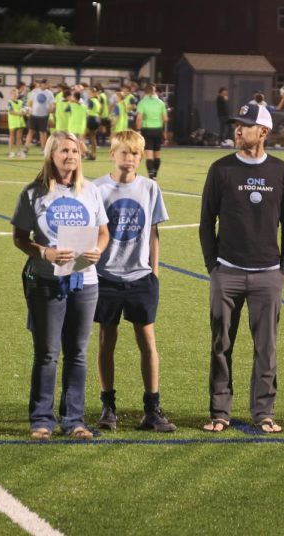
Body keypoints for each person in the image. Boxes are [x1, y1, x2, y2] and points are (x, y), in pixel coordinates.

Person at [198, 103, 284, 434]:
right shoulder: (221, 169)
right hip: (226, 272)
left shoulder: (281, 171)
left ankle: (263, 411)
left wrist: (283, 267)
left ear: (264, 132)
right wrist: (213, 266)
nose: (238, 130)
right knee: (221, 344)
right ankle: (220, 411)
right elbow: (205, 222)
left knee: (265, 348)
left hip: (268, 274)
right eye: (236, 125)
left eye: (246, 125)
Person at [11, 131, 109, 441]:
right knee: (47, 353)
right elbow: (19, 238)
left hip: (85, 280)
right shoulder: (33, 193)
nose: (70, 156)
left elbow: (104, 232)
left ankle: (74, 420)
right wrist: (45, 252)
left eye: (75, 151)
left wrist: (98, 251)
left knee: (78, 353)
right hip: (45, 280)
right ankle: (42, 419)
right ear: (51, 155)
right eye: (64, 151)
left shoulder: (90, 191)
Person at [93, 130, 175, 433]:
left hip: (140, 277)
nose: (130, 159)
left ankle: (152, 409)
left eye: (136, 154)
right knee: (106, 341)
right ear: (112, 154)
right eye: (124, 153)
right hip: (106, 276)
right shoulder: (97, 188)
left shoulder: (149, 187)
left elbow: (153, 232)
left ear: (141, 157)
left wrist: (154, 272)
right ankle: (108, 407)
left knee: (148, 342)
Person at [135, 84, 169, 179]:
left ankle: (151, 175)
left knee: (149, 154)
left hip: (147, 129)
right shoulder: (161, 103)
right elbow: (165, 119)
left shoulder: (142, 103)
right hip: (158, 129)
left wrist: (138, 130)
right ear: (155, 92)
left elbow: (139, 118)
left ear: (145, 92)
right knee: (157, 153)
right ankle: (155, 174)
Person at [24, 79, 55, 154]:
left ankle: (43, 149)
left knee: (43, 132)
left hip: (44, 116)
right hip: (33, 115)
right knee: (30, 131)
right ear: (42, 84)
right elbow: (30, 103)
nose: (48, 85)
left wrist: (52, 108)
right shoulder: (34, 91)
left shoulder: (49, 93)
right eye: (46, 84)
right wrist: (28, 110)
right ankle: (26, 148)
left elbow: (52, 103)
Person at [7, 88, 26, 159]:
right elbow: (11, 111)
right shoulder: (9, 102)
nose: (15, 95)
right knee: (12, 137)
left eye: (16, 93)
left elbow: (25, 110)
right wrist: (19, 113)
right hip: (13, 122)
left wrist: (25, 112)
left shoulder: (21, 102)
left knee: (19, 138)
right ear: (10, 95)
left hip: (20, 122)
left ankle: (19, 151)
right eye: (13, 93)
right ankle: (10, 152)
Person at [84, 91, 102, 160]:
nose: (89, 94)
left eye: (90, 93)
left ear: (94, 94)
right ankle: (93, 153)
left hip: (91, 118)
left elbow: (88, 110)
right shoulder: (97, 101)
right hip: (96, 118)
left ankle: (87, 153)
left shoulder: (91, 101)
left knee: (84, 136)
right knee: (93, 137)